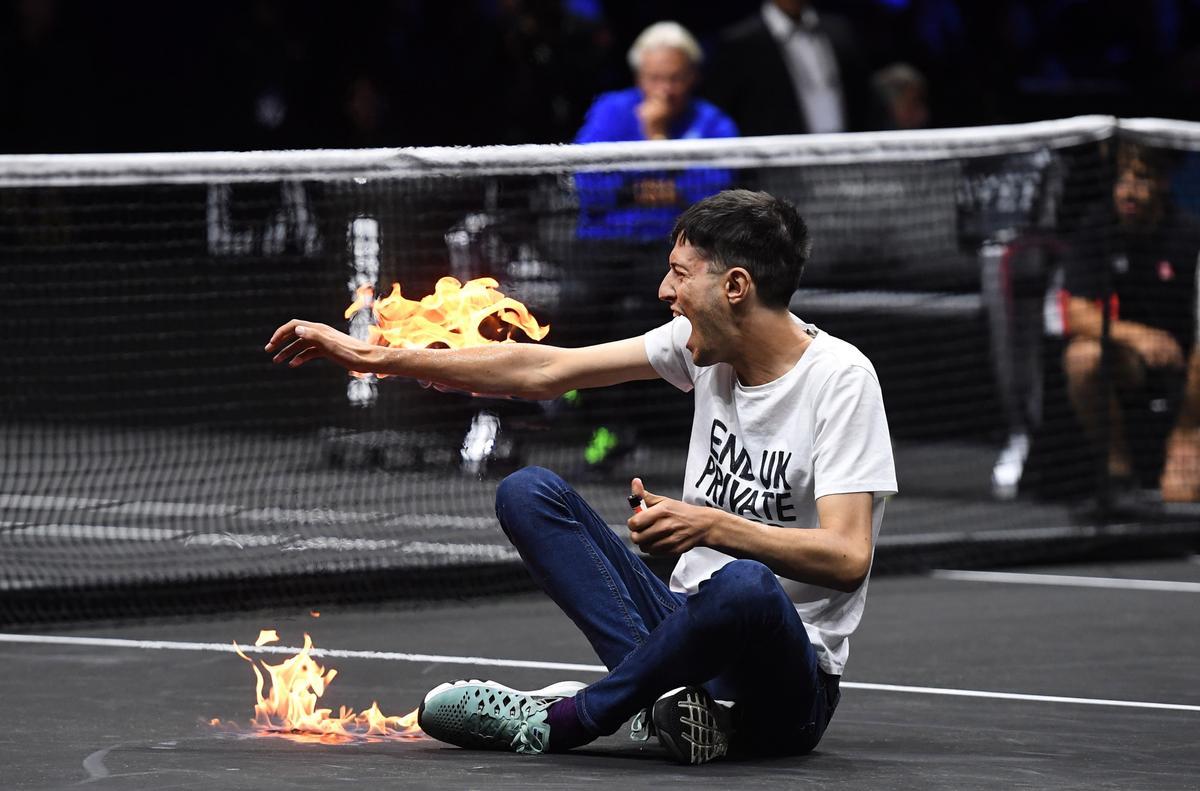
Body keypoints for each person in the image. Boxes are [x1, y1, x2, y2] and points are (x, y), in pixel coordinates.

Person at [266, 190, 898, 764]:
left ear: (735, 286)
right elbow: (545, 370)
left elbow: (846, 557)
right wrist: (375, 357)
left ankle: (568, 716)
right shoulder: (697, 345)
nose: (663, 291)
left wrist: (709, 525)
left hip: (786, 685)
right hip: (679, 628)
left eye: (679, 274)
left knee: (747, 587)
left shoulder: (840, 380)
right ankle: (672, 704)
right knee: (528, 492)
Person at [1061, 142, 1200, 502]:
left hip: (1190, 369)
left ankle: (1183, 442)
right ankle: (1118, 468)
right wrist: (1139, 336)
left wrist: (1187, 428)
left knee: (1181, 496)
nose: (1128, 190)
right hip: (1133, 358)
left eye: (1141, 178)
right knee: (1081, 358)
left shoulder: (1188, 236)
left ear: (1163, 183)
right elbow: (1077, 313)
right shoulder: (1097, 228)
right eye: (1121, 179)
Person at [703, 0, 886, 137]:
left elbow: (865, 100)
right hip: (776, 169)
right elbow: (724, 112)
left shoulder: (840, 31)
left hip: (845, 159)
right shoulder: (739, 43)